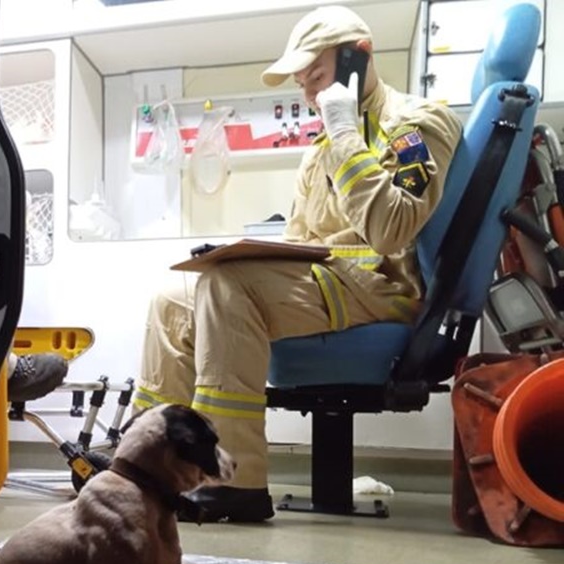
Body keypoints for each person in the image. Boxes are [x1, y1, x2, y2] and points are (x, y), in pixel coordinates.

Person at [132, 5, 463, 523]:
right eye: (303, 84)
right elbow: (304, 239)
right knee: (172, 299)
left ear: (358, 57)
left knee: (227, 285)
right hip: (330, 280)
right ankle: (149, 462)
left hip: (381, 288)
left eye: (317, 77)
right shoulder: (320, 148)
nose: (310, 94)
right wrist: (251, 255)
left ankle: (233, 481)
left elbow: (392, 229)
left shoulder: (416, 125)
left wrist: (345, 132)